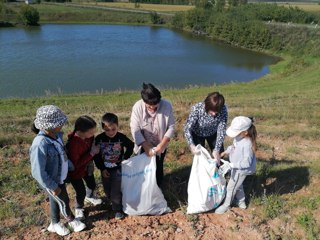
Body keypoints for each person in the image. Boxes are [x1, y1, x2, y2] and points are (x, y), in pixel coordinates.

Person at [29, 105, 86, 236]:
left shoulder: (56, 136)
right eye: (59, 123)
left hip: (59, 177)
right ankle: (72, 221)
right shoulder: (40, 144)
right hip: (52, 181)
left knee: (56, 200)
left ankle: (54, 223)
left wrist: (70, 166)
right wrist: (52, 186)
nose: (62, 125)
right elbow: (38, 172)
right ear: (50, 126)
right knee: (63, 200)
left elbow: (62, 154)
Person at [130, 83, 175, 188]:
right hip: (143, 144)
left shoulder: (167, 105)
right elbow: (135, 129)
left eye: (155, 106)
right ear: (144, 101)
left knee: (158, 166)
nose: (152, 108)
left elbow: (171, 127)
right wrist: (146, 147)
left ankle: (158, 187)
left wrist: (161, 146)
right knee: (143, 168)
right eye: (149, 106)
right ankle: (144, 189)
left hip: (160, 144)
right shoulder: (137, 107)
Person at [93, 112, 134, 220]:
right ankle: (112, 201)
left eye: (113, 129)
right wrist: (101, 168)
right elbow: (96, 156)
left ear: (117, 126)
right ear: (102, 128)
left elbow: (130, 145)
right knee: (107, 189)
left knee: (116, 189)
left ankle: (117, 210)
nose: (111, 132)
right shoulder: (99, 139)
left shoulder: (121, 137)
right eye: (107, 130)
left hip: (118, 169)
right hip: (105, 169)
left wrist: (125, 158)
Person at [215, 116, 257, 214]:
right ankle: (241, 202)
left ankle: (226, 205)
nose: (234, 135)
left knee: (231, 188)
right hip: (236, 167)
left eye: (236, 132)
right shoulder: (239, 137)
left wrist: (231, 165)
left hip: (241, 170)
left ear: (245, 132)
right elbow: (233, 146)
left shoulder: (247, 144)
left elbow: (247, 163)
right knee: (238, 184)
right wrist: (225, 152)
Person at [66, 115, 102, 220]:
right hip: (75, 172)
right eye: (91, 132)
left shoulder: (89, 137)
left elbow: (92, 143)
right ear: (80, 131)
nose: (93, 134)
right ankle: (78, 208)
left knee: (92, 184)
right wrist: (91, 153)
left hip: (87, 168)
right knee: (80, 191)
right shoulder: (73, 144)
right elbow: (76, 164)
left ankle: (89, 196)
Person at [184, 92, 227, 163]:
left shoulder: (223, 109)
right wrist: (191, 144)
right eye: (212, 111)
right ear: (206, 105)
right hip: (197, 134)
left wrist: (216, 149)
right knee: (200, 156)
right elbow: (187, 128)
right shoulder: (197, 108)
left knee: (219, 154)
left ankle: (219, 171)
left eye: (216, 112)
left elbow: (222, 129)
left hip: (213, 133)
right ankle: (203, 172)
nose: (214, 114)